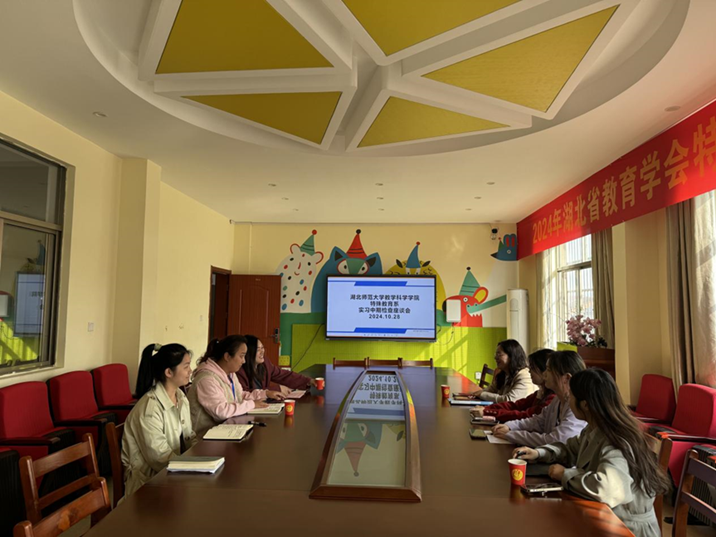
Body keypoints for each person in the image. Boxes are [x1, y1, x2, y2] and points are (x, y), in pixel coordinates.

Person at [512, 368, 670, 537]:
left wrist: (565, 474)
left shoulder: (616, 440)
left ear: (585, 405)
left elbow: (608, 489)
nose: (568, 400)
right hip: (608, 518)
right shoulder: (596, 427)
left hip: (626, 528)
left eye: (571, 396)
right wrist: (539, 453)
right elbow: (570, 448)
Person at [122, 343, 197, 497]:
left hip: (173, 476)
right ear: (168, 372)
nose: (190, 371)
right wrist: (194, 468)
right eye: (186, 366)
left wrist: (204, 457)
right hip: (149, 485)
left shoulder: (181, 397)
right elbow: (160, 459)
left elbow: (189, 437)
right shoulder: (149, 410)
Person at [188, 335, 282, 437]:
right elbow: (221, 412)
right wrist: (252, 404)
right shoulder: (207, 379)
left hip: (225, 431)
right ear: (227, 356)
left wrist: (265, 393)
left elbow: (240, 396)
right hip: (204, 437)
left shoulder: (230, 374)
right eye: (241, 356)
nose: (244, 361)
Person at [491, 350, 587, 446]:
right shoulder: (557, 400)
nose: (544, 374)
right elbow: (537, 421)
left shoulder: (577, 406)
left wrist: (511, 435)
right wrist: (510, 426)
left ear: (566, 378)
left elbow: (557, 440)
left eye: (548, 370)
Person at [470, 348, 554, 422]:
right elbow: (515, 405)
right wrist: (487, 408)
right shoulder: (539, 393)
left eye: (532, 368)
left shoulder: (551, 398)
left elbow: (525, 415)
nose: (529, 371)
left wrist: (488, 411)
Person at [237, 335, 316, 393]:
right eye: (258, 350)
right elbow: (245, 394)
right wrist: (276, 389)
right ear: (248, 352)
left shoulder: (265, 363)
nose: (262, 352)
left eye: (262, 348)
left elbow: (283, 375)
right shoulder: (239, 370)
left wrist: (308, 381)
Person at [467, 339, 536, 403]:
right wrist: (476, 394)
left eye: (499, 354)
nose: (495, 357)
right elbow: (491, 389)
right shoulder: (504, 373)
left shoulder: (524, 376)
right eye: (496, 354)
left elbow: (509, 400)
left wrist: (481, 394)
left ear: (511, 356)